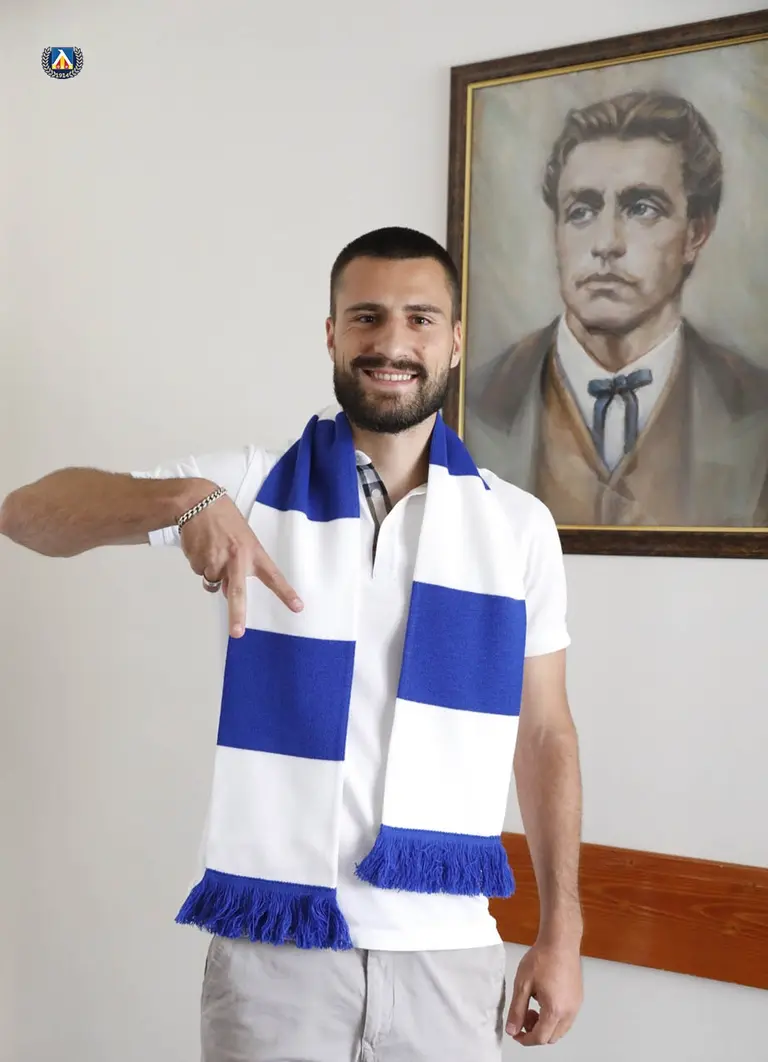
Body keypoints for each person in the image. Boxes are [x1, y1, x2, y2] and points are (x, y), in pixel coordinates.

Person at [1, 226, 583, 1060]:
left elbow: (545, 732)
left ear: (455, 340)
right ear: (332, 333)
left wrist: (562, 931)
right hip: (276, 957)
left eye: (420, 319)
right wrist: (186, 500)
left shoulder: (517, 526)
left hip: (448, 956)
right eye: (367, 317)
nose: (391, 343)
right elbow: (27, 514)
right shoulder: (251, 486)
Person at [465, 90, 768, 528]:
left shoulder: (754, 407)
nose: (606, 243)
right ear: (556, 230)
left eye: (642, 208)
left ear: (696, 233)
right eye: (581, 211)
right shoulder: (474, 402)